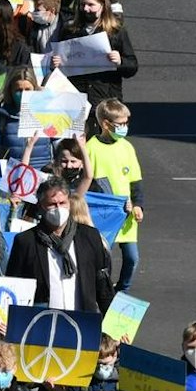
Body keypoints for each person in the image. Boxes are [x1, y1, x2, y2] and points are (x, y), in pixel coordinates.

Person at [5, 174, 113, 313]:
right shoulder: (26, 241)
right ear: (40, 207)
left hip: (82, 319)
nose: (58, 208)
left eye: (62, 203)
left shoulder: (89, 236)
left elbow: (102, 283)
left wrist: (113, 322)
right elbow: (14, 286)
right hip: (43, 320)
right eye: (52, 204)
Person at [83, 99, 145, 291]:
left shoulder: (127, 147)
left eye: (126, 123)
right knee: (103, 258)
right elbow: (88, 182)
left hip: (126, 213)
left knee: (132, 258)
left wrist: (138, 204)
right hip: (103, 215)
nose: (124, 127)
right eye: (120, 124)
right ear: (106, 124)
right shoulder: (91, 148)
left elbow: (135, 180)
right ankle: (102, 291)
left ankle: (122, 289)